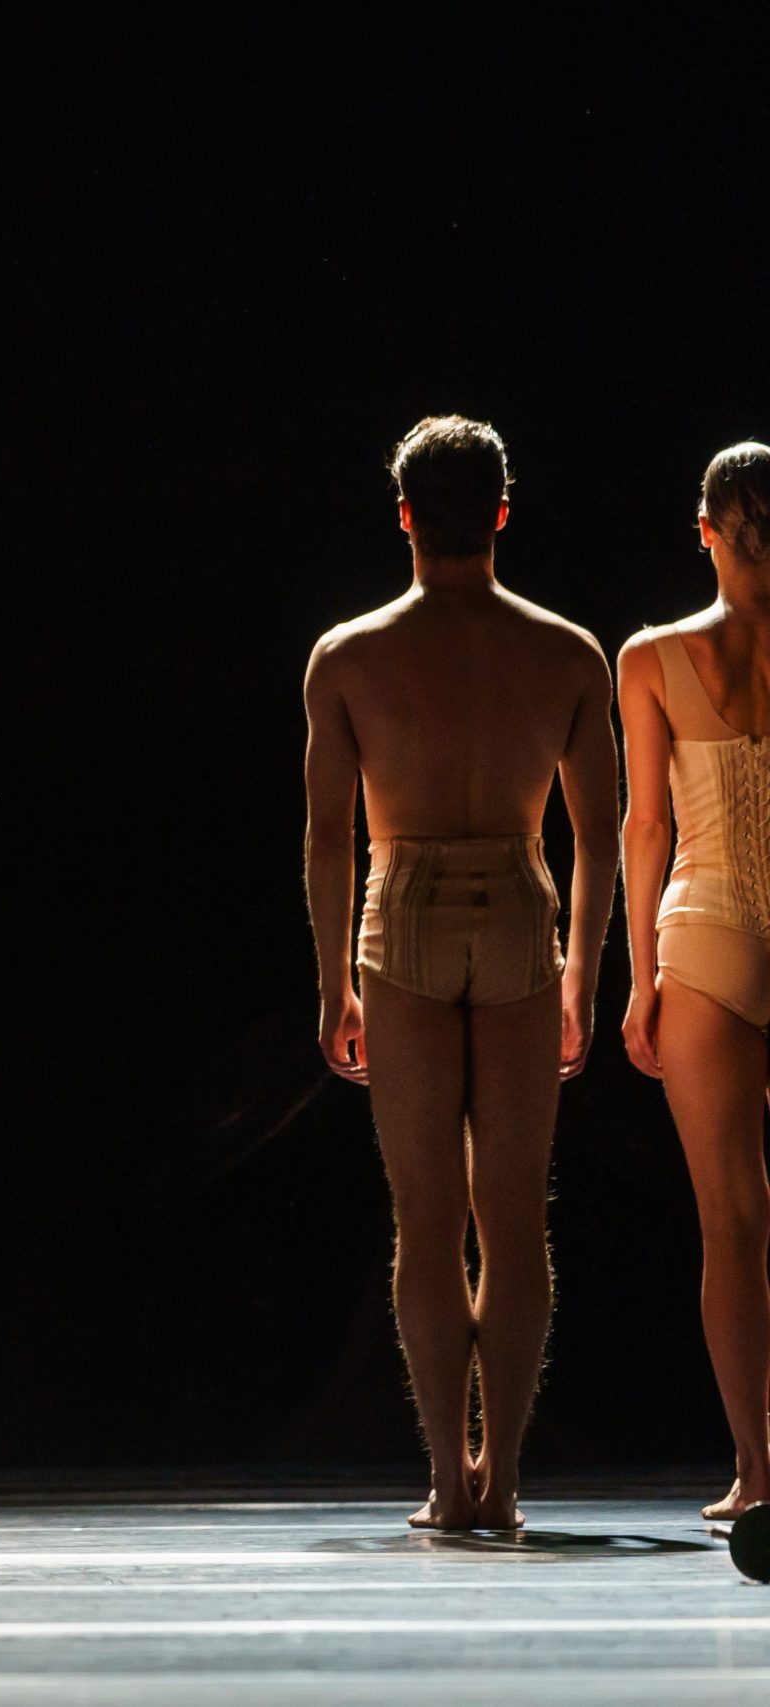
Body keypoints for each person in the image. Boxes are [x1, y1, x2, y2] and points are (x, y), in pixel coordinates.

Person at [302, 416, 617, 1532]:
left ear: (403, 516)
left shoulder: (348, 656)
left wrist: (334, 983)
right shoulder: (567, 652)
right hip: (520, 909)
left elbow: (329, 837)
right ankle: (504, 1481)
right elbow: (599, 837)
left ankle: (449, 1480)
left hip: (404, 911)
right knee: (514, 1215)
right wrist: (583, 977)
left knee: (426, 1214)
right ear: (501, 511)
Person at [619, 441, 770, 1521]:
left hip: (706, 930)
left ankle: (758, 1472)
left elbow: (644, 827)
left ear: (706, 531)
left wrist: (639, 981)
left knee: (732, 1221)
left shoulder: (652, 656)